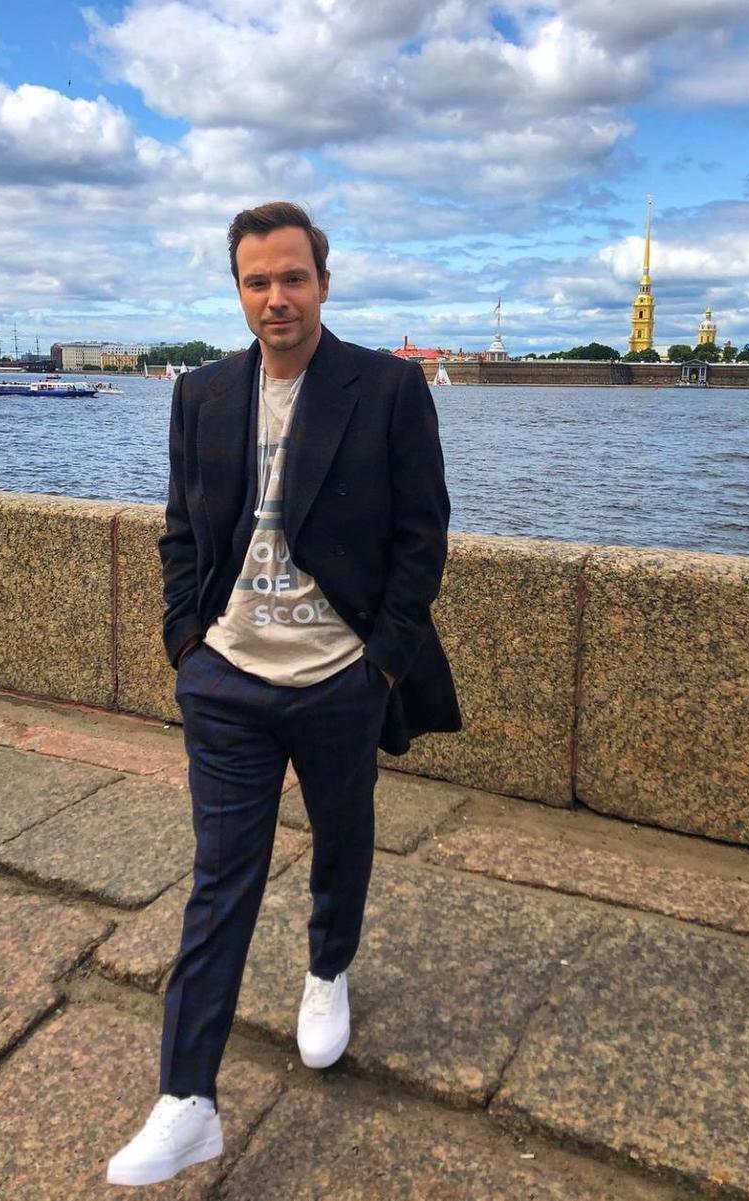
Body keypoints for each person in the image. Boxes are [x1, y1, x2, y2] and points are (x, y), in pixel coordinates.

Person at [107, 201, 460, 1187]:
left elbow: (423, 536)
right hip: (227, 678)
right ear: (237, 290)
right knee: (221, 878)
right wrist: (187, 646)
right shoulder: (203, 393)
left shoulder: (386, 388)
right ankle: (187, 1098)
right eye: (256, 280)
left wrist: (379, 662)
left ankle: (326, 969)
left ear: (323, 283)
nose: (276, 297)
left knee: (342, 837)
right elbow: (181, 529)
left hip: (339, 675)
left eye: (293, 277)